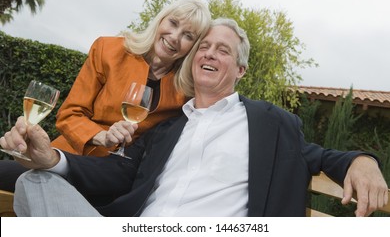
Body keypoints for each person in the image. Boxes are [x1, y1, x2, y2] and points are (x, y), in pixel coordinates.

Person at [1, 18, 388, 217]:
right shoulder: (165, 126)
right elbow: (119, 175)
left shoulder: (272, 123)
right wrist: (52, 159)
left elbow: (319, 157)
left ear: (240, 71)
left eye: (223, 50)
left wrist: (363, 160)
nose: (208, 54)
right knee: (36, 182)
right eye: (203, 47)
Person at [0, 0, 211, 192]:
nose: (175, 37)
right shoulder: (109, 50)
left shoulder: (186, 92)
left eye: (188, 36)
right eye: (173, 23)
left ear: (193, 47)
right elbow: (70, 114)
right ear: (160, 20)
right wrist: (102, 137)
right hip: (67, 157)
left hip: (116, 178)